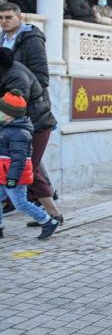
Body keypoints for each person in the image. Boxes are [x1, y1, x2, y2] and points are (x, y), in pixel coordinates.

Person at [0, 89, 60, 240]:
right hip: (3, 173)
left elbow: (19, 159)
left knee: (20, 203)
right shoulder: (6, 127)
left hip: (15, 176)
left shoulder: (19, 133)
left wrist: (12, 178)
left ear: (10, 114)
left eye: (1, 111)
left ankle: (48, 221)